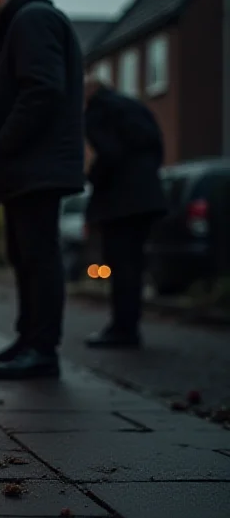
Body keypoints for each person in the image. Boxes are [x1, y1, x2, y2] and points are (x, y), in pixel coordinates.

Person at [0, 0, 85, 379]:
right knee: (24, 255)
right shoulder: (20, 25)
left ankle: (43, 350)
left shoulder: (32, 20)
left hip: (36, 168)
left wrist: (3, 144)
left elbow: (43, 90)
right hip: (27, 169)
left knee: (39, 256)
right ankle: (27, 341)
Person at [83, 79, 167, 348]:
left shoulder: (98, 111)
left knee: (120, 265)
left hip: (120, 201)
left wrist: (92, 177)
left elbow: (109, 153)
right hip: (147, 196)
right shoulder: (134, 107)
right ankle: (129, 325)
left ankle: (122, 329)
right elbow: (156, 147)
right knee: (134, 263)